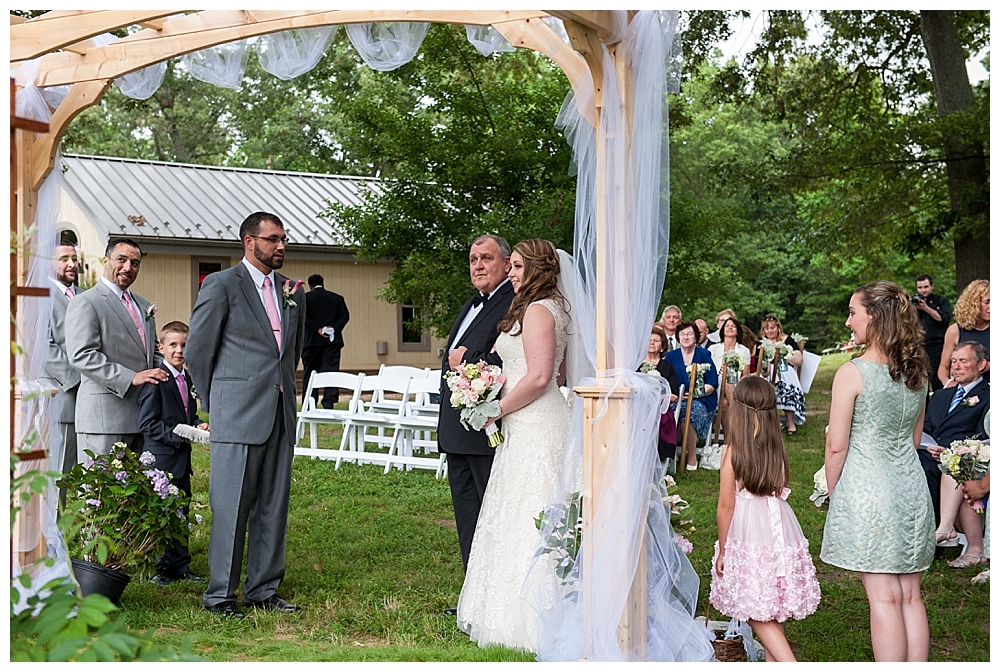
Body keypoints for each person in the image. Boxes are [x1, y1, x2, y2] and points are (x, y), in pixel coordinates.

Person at [186, 212, 306, 619]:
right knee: (232, 506)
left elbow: (290, 353)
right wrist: (216, 402)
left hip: (280, 413)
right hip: (236, 413)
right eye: (273, 239)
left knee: (273, 505)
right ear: (248, 242)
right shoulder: (221, 285)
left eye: (283, 239)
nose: (281, 246)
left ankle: (263, 589)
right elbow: (198, 352)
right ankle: (220, 594)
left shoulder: (293, 291)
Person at [456, 239, 572, 652]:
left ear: (539, 269)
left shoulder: (540, 311)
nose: (512, 273)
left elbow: (541, 377)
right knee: (517, 507)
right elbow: (555, 375)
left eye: (519, 266)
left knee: (533, 508)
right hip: (530, 419)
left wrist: (496, 408)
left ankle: (533, 619)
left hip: (535, 421)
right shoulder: (552, 309)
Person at [821, 280, 933, 662]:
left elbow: (836, 445)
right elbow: (914, 440)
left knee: (883, 597)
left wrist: (837, 494)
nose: (848, 321)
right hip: (911, 489)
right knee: (911, 595)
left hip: (870, 490)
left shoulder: (853, 373)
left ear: (876, 317)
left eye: (854, 312)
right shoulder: (917, 373)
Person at [710, 376, 820, 662]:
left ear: (738, 412)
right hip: (779, 527)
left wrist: (724, 549)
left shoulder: (733, 452)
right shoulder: (776, 448)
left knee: (751, 606)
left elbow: (726, 506)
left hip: (748, 530)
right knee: (768, 605)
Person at [438, 235, 515, 583]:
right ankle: (473, 592)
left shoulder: (514, 303)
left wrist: (465, 359)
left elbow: (509, 360)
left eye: (486, 258)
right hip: (459, 428)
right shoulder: (472, 303)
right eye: (473, 260)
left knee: (489, 515)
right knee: (467, 515)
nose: (478, 266)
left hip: (487, 429)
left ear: (506, 262)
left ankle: (493, 590)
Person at [65, 238, 167, 460]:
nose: (128, 267)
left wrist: (174, 372)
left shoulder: (142, 304)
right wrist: (131, 378)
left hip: (143, 416)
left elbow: (151, 353)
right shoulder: (86, 302)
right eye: (121, 260)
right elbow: (82, 356)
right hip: (104, 418)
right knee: (100, 493)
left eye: (135, 263)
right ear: (106, 261)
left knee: (137, 492)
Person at [137, 321, 209, 587]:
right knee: (160, 515)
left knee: (181, 512)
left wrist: (197, 423)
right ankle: (158, 568)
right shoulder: (157, 379)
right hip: (160, 460)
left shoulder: (186, 378)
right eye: (173, 345)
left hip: (181, 461)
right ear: (161, 348)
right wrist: (179, 434)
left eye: (184, 345)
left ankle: (180, 566)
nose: (179, 351)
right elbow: (147, 423)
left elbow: (186, 413)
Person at [919, 341, 989, 527]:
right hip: (928, 452)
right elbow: (926, 427)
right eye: (953, 361)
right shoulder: (941, 396)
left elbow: (982, 435)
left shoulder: (989, 395)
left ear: (981, 365)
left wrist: (949, 452)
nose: (956, 367)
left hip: (963, 459)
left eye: (963, 361)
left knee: (928, 471)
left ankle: (934, 534)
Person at [43, 241, 82, 490]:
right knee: (61, 473)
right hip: (65, 395)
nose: (71, 264)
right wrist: (78, 379)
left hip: (92, 401)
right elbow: (44, 347)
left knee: (84, 471)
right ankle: (56, 526)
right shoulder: (41, 295)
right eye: (64, 258)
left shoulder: (84, 295)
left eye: (74, 258)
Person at [664, 321, 718, 471]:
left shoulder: (704, 354)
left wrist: (696, 394)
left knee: (691, 411)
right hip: (677, 398)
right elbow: (666, 379)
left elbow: (712, 382)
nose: (686, 337)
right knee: (673, 410)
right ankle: (667, 454)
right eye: (682, 334)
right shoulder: (671, 356)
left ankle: (692, 456)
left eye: (689, 334)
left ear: (696, 336)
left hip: (702, 399)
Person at [302, 273, 350, 409]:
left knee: (310, 372)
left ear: (310, 285)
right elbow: (344, 316)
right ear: (323, 283)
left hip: (311, 342)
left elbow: (303, 316)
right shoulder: (337, 299)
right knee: (331, 371)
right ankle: (329, 401)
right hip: (332, 342)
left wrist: (317, 329)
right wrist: (333, 328)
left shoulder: (305, 299)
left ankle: (310, 402)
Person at [757, 314, 806, 436]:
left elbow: (799, 360)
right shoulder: (761, 344)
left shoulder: (787, 340)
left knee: (786, 383)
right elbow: (760, 363)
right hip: (767, 371)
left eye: (772, 328)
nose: (770, 331)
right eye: (767, 328)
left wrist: (783, 354)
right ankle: (767, 423)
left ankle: (790, 423)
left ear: (778, 328)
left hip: (785, 369)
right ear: (763, 331)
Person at [939, 279, 990, 388]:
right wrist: (947, 383)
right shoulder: (955, 331)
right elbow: (943, 367)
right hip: (965, 391)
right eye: (987, 302)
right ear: (973, 304)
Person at [642, 324, 680, 462]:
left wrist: (658, 397)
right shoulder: (637, 364)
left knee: (658, 419)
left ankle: (653, 457)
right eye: (649, 340)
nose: (652, 343)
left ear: (663, 346)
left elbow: (675, 395)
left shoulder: (668, 367)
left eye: (656, 340)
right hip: (639, 407)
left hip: (660, 409)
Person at [708, 316, 752, 434]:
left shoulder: (744, 350)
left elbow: (745, 375)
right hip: (715, 384)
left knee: (725, 403)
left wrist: (737, 384)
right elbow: (709, 372)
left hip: (737, 386)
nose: (730, 328)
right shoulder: (713, 348)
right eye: (727, 326)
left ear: (738, 331)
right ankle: (741, 417)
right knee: (726, 382)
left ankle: (729, 439)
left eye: (733, 326)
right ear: (722, 331)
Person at [913, 274, 952, 392]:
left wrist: (926, 308)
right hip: (919, 345)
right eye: (920, 287)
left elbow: (943, 318)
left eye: (926, 287)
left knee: (938, 380)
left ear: (932, 286)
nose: (923, 290)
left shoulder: (941, 301)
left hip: (937, 346)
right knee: (920, 381)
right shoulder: (913, 303)